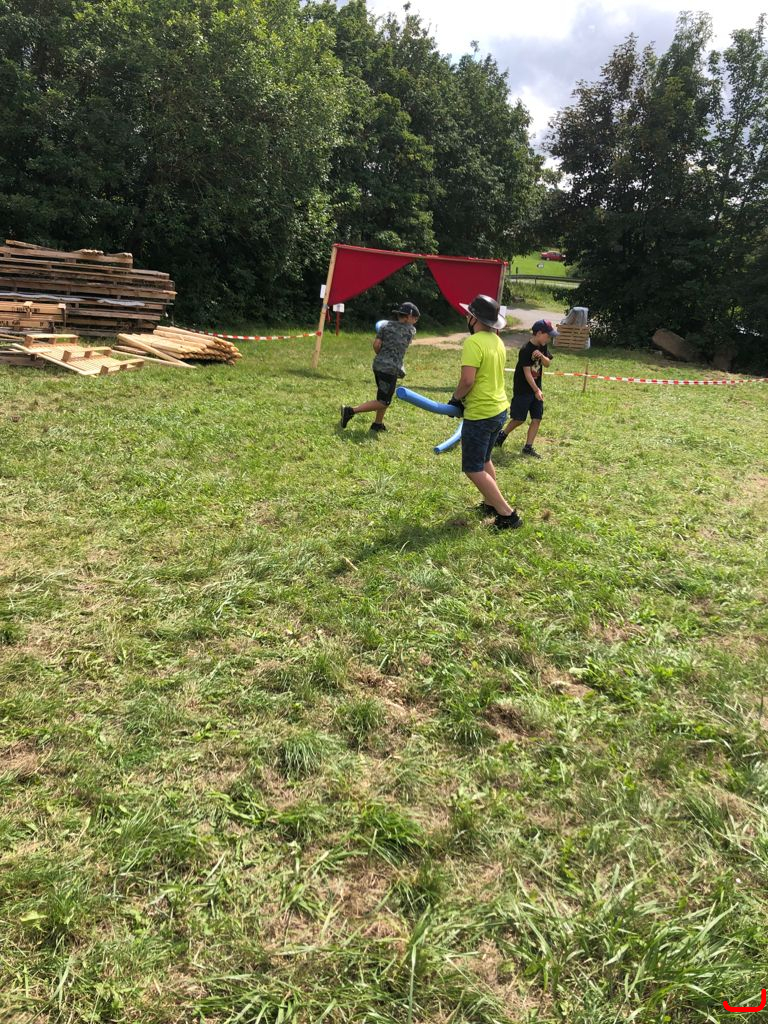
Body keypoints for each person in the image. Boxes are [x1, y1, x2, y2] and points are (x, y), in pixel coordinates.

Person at [449, 294, 522, 530]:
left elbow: (468, 381)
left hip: (481, 413)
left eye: (468, 315)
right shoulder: (497, 341)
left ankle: (507, 514)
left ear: (474, 318)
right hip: (499, 409)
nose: (466, 318)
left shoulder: (473, 342)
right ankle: (490, 504)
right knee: (485, 459)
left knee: (473, 467)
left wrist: (456, 398)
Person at [340, 302, 419, 432]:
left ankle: (377, 424)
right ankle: (350, 411)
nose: (415, 322)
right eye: (415, 319)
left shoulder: (385, 326)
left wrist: (382, 357)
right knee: (383, 402)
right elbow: (408, 340)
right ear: (408, 317)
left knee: (383, 396)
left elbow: (376, 345)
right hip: (390, 370)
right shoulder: (411, 330)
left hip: (378, 365)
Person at [495, 319, 557, 457]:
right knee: (519, 419)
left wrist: (542, 356)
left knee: (537, 418)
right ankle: (501, 435)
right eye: (548, 336)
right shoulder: (525, 350)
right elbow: (527, 373)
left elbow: (547, 364)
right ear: (539, 333)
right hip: (523, 389)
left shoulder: (543, 346)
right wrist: (536, 390)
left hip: (537, 389)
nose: (549, 339)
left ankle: (528, 447)